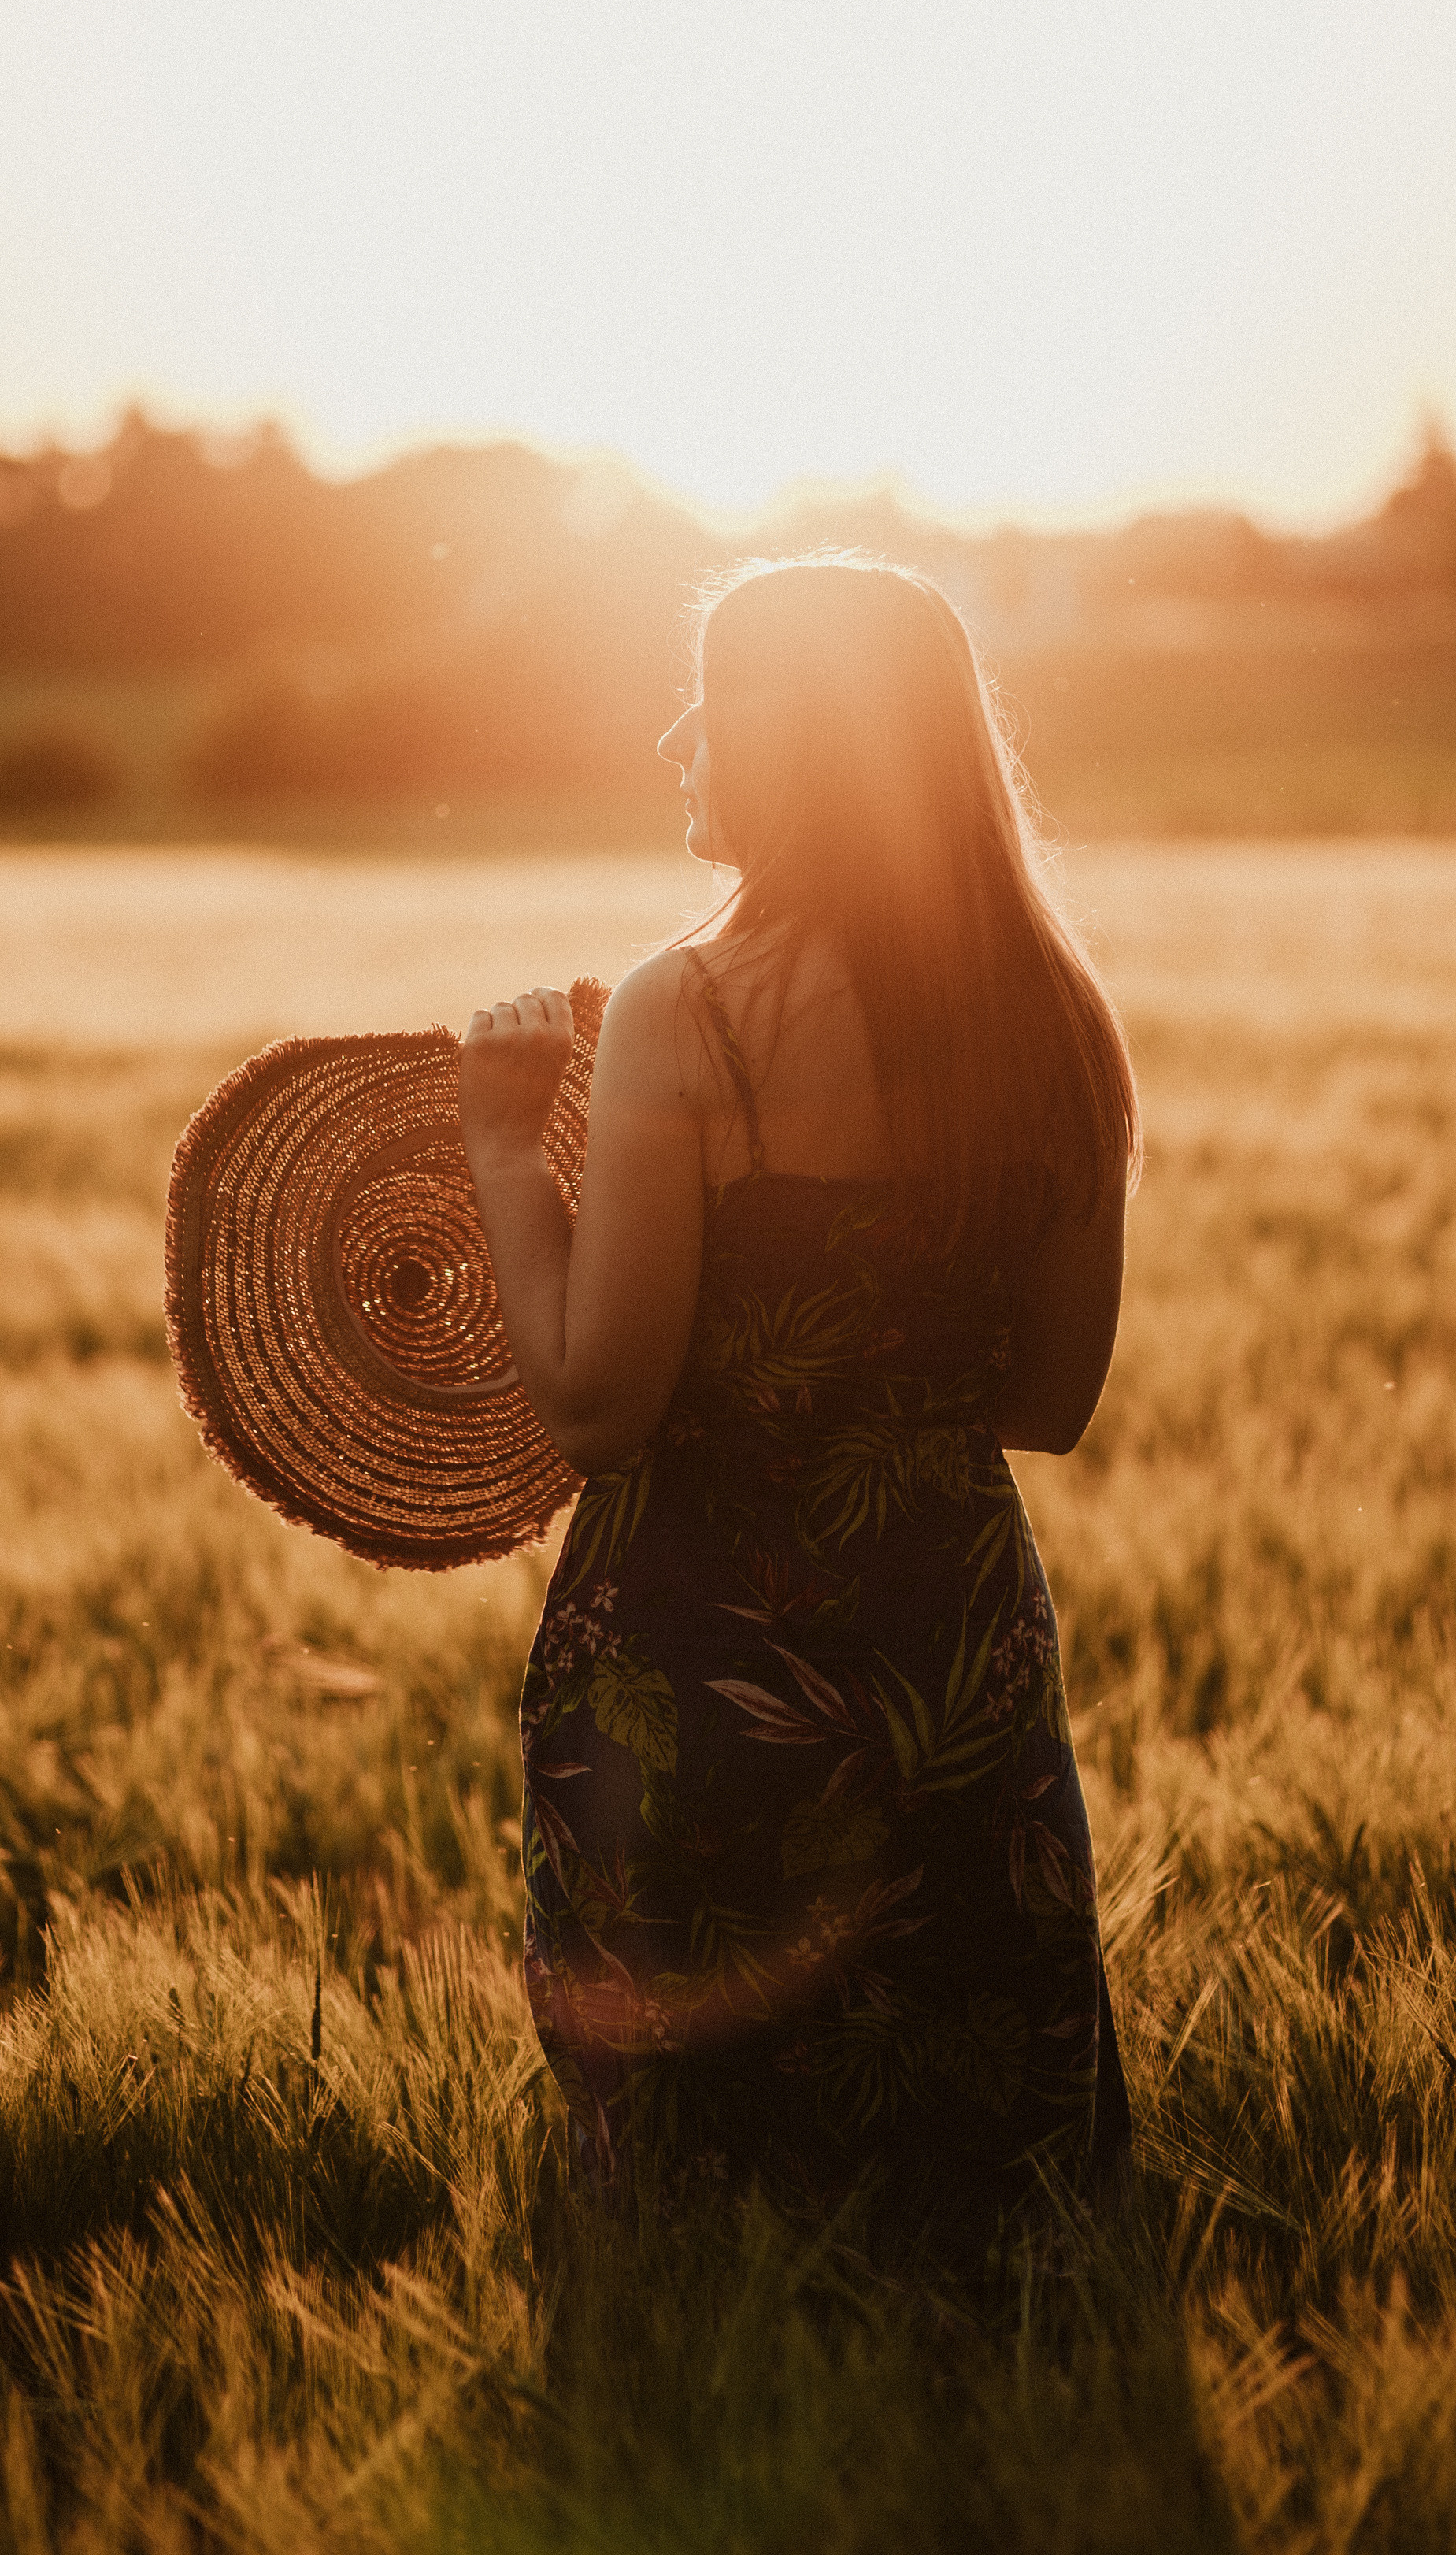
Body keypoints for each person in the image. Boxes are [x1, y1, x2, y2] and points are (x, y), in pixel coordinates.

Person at [458, 553, 1138, 2280]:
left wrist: (503, 1151)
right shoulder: (1060, 1020)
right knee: (981, 2191)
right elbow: (1051, 1397)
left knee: (699, 2215)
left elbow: (598, 1404)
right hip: (956, 1667)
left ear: (807, 738)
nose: (674, 738)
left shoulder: (694, 1009)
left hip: (703, 1676)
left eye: (710, 700)